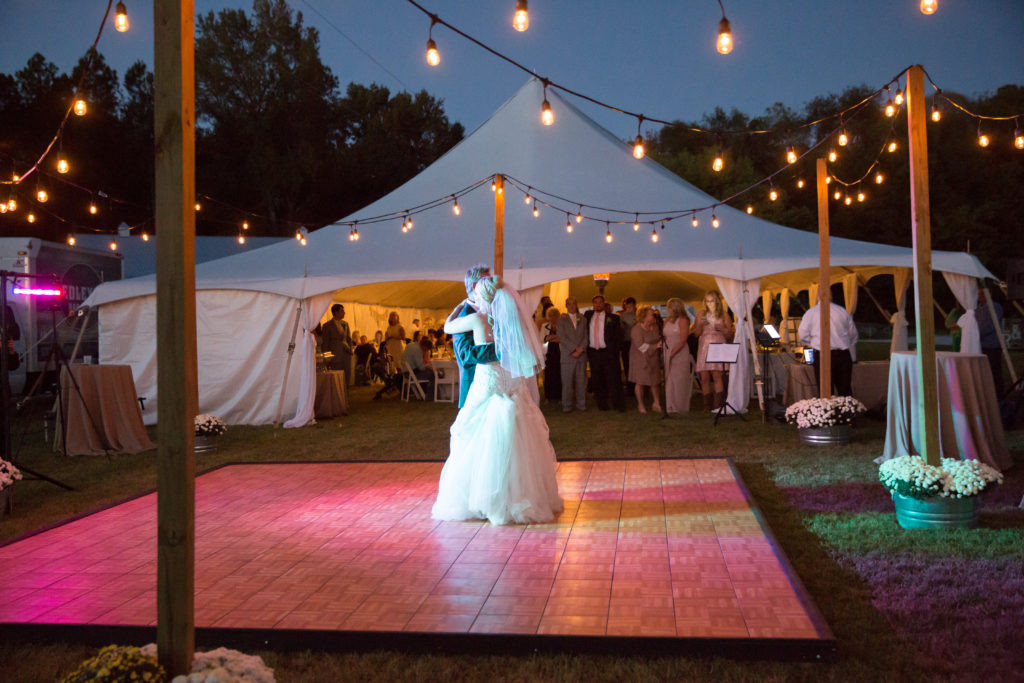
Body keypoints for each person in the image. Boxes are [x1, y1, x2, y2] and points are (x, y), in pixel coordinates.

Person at [433, 274, 563, 525]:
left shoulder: (476, 318)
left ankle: (486, 499)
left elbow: (448, 327)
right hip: (512, 383)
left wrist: (457, 309)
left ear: (481, 297)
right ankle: (521, 495)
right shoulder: (512, 320)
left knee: (479, 438)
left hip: (489, 382)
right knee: (519, 439)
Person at [450, 264, 500, 408]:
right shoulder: (465, 314)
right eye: (486, 282)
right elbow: (465, 355)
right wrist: (501, 350)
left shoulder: (490, 311)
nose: (491, 286)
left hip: (493, 385)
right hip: (474, 388)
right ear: (474, 286)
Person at [798, 292, 859, 397]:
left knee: (825, 391)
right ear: (831, 296)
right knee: (845, 390)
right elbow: (853, 335)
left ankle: (827, 412)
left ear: (817, 297)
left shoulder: (811, 313)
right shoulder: (842, 311)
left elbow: (803, 335)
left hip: (822, 355)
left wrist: (812, 343)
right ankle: (846, 412)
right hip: (842, 355)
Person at [692, 290, 734, 411]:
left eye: (712, 301)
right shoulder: (701, 313)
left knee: (717, 375)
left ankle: (718, 405)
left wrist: (721, 328)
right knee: (704, 376)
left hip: (718, 344)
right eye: (707, 301)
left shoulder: (724, 314)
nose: (709, 303)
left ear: (717, 301)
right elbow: (696, 333)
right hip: (704, 345)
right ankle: (707, 405)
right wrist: (700, 325)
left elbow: (730, 334)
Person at [585, 295, 625, 412]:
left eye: (600, 302)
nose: (598, 304)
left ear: (604, 304)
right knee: (597, 379)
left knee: (613, 379)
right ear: (593, 304)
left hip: (608, 353)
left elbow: (618, 336)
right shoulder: (587, 316)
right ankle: (602, 405)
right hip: (594, 353)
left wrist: (615, 352)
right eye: (595, 302)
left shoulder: (613, 318)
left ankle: (617, 404)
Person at [629, 306, 663, 413]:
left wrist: (660, 344)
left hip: (653, 357)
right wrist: (655, 346)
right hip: (640, 357)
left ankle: (656, 403)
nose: (653, 315)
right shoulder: (637, 329)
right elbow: (640, 346)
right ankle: (641, 405)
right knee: (640, 381)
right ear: (644, 316)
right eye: (651, 314)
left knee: (655, 380)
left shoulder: (655, 326)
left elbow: (659, 337)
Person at [556, 296, 588, 412]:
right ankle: (567, 406)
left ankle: (581, 405)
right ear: (566, 306)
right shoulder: (561, 320)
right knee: (567, 382)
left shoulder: (583, 319)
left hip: (581, 356)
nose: (571, 306)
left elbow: (586, 336)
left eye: (573, 303)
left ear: (576, 305)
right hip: (567, 355)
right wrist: (575, 349)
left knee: (581, 381)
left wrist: (581, 349)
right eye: (569, 304)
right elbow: (562, 337)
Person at [663, 298, 692, 414]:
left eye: (669, 307)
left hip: (679, 352)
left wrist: (673, 352)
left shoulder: (683, 320)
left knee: (679, 379)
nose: (668, 309)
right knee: (669, 379)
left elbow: (683, 339)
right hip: (668, 350)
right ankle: (670, 405)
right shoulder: (667, 320)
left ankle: (680, 406)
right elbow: (664, 336)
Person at [976, 289, 1005, 396]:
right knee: (983, 372)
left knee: (994, 371)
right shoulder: (976, 309)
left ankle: (999, 395)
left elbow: (990, 326)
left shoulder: (995, 307)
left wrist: (975, 334)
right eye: (979, 294)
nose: (980, 296)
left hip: (992, 346)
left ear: (990, 294)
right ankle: (987, 394)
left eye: (982, 294)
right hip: (980, 346)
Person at [321, 304, 353, 386]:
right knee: (336, 380)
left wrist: (350, 349)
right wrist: (327, 358)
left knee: (346, 377)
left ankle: (345, 397)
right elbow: (325, 343)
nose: (344, 313)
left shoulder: (345, 324)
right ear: (336, 312)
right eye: (342, 311)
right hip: (335, 356)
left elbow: (349, 339)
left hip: (346, 354)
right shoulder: (327, 326)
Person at [540, 306, 562, 403]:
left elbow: (562, 338)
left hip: (559, 353)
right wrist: (553, 337)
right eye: (551, 316)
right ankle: (548, 397)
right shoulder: (544, 326)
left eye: (555, 316)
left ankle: (559, 396)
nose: (553, 318)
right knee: (548, 375)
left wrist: (549, 337)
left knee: (559, 374)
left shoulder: (561, 326)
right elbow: (542, 338)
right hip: (548, 353)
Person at [619, 297, 637, 394]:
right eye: (627, 306)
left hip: (637, 343)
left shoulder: (639, 315)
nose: (628, 308)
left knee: (636, 365)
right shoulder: (622, 316)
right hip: (626, 343)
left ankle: (639, 386)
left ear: (634, 305)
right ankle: (630, 388)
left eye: (630, 306)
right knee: (627, 365)